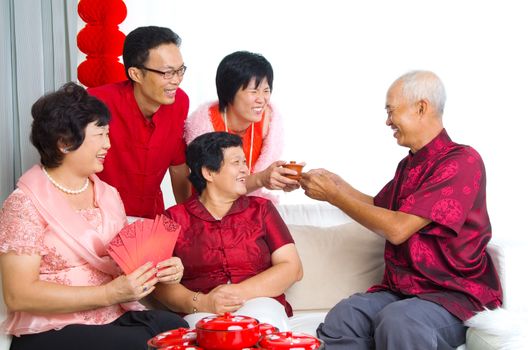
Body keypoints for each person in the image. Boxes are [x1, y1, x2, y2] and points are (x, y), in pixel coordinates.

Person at [300, 71, 502, 349]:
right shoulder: (408, 166)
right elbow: (378, 208)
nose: (387, 121)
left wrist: (335, 196)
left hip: (453, 294)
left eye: (391, 111)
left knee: (400, 320)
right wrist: (336, 185)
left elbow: (397, 229)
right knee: (344, 316)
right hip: (404, 291)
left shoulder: (463, 161)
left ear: (421, 107)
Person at [0, 83, 188, 350]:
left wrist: (162, 269)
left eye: (108, 134)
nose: (108, 145)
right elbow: (17, 294)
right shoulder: (24, 204)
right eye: (100, 135)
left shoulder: (108, 195)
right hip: (53, 327)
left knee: (177, 329)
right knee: (141, 344)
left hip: (112, 314)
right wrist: (108, 293)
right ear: (65, 143)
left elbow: (127, 262)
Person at [154, 131, 303, 331]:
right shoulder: (171, 219)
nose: (245, 169)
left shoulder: (261, 209)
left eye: (244, 161)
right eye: (236, 163)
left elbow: (292, 267)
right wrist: (202, 302)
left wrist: (237, 293)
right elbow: (159, 284)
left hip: (260, 303)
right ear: (208, 172)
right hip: (202, 311)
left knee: (261, 331)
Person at [88, 26, 191, 219]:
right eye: (167, 73)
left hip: (150, 220)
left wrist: (190, 222)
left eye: (180, 70)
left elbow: (178, 166)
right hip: (99, 220)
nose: (177, 80)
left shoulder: (180, 102)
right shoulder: (95, 102)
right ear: (136, 74)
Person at [184, 51, 300, 202]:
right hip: (210, 209)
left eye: (266, 90)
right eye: (253, 91)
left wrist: (281, 178)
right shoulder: (204, 126)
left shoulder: (268, 122)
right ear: (229, 92)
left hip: (249, 206)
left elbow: (259, 178)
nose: (262, 99)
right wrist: (261, 178)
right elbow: (215, 187)